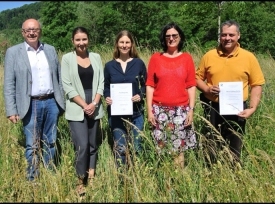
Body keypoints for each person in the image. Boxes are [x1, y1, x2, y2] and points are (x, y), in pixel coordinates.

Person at [195, 20, 265, 166]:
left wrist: (252, 108)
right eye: (224, 35)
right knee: (211, 144)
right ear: (220, 36)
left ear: (238, 36)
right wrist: (207, 89)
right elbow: (196, 78)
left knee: (235, 145)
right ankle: (211, 172)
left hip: (237, 108)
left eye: (231, 35)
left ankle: (234, 174)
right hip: (212, 106)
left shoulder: (248, 57)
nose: (227, 38)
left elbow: (256, 84)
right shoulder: (209, 55)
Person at [3, 18, 65, 181]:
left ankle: (50, 175)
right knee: (32, 145)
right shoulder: (13, 52)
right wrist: (11, 109)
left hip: (51, 102)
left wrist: (61, 103)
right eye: (28, 30)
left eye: (35, 29)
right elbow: (9, 83)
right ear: (23, 32)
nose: (32, 33)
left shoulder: (50, 50)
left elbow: (58, 77)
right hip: (30, 104)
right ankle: (33, 179)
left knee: (51, 141)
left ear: (40, 31)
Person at [146, 22, 197, 169]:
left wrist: (191, 110)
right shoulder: (156, 58)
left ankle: (178, 181)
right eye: (168, 36)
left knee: (179, 149)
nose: (171, 38)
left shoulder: (187, 58)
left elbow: (191, 86)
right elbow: (150, 85)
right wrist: (150, 110)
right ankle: (165, 181)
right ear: (164, 38)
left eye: (174, 35)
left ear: (180, 37)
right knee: (161, 149)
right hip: (159, 110)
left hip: (180, 111)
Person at [61, 26, 104, 198]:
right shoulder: (66, 59)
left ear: (88, 40)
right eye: (78, 40)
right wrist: (84, 105)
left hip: (94, 105)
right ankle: (80, 180)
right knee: (82, 146)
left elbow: (101, 82)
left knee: (93, 144)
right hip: (76, 107)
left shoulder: (96, 57)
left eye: (84, 39)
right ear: (73, 41)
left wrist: (94, 103)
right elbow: (67, 86)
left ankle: (91, 176)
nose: (81, 43)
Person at [104, 30, 147, 169]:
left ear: (131, 44)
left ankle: (138, 175)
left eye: (127, 42)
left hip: (136, 113)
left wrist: (140, 95)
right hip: (116, 115)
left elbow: (147, 85)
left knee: (137, 147)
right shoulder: (109, 66)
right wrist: (107, 97)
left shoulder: (138, 63)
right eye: (121, 42)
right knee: (120, 148)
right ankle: (122, 179)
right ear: (117, 44)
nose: (124, 45)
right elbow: (105, 87)